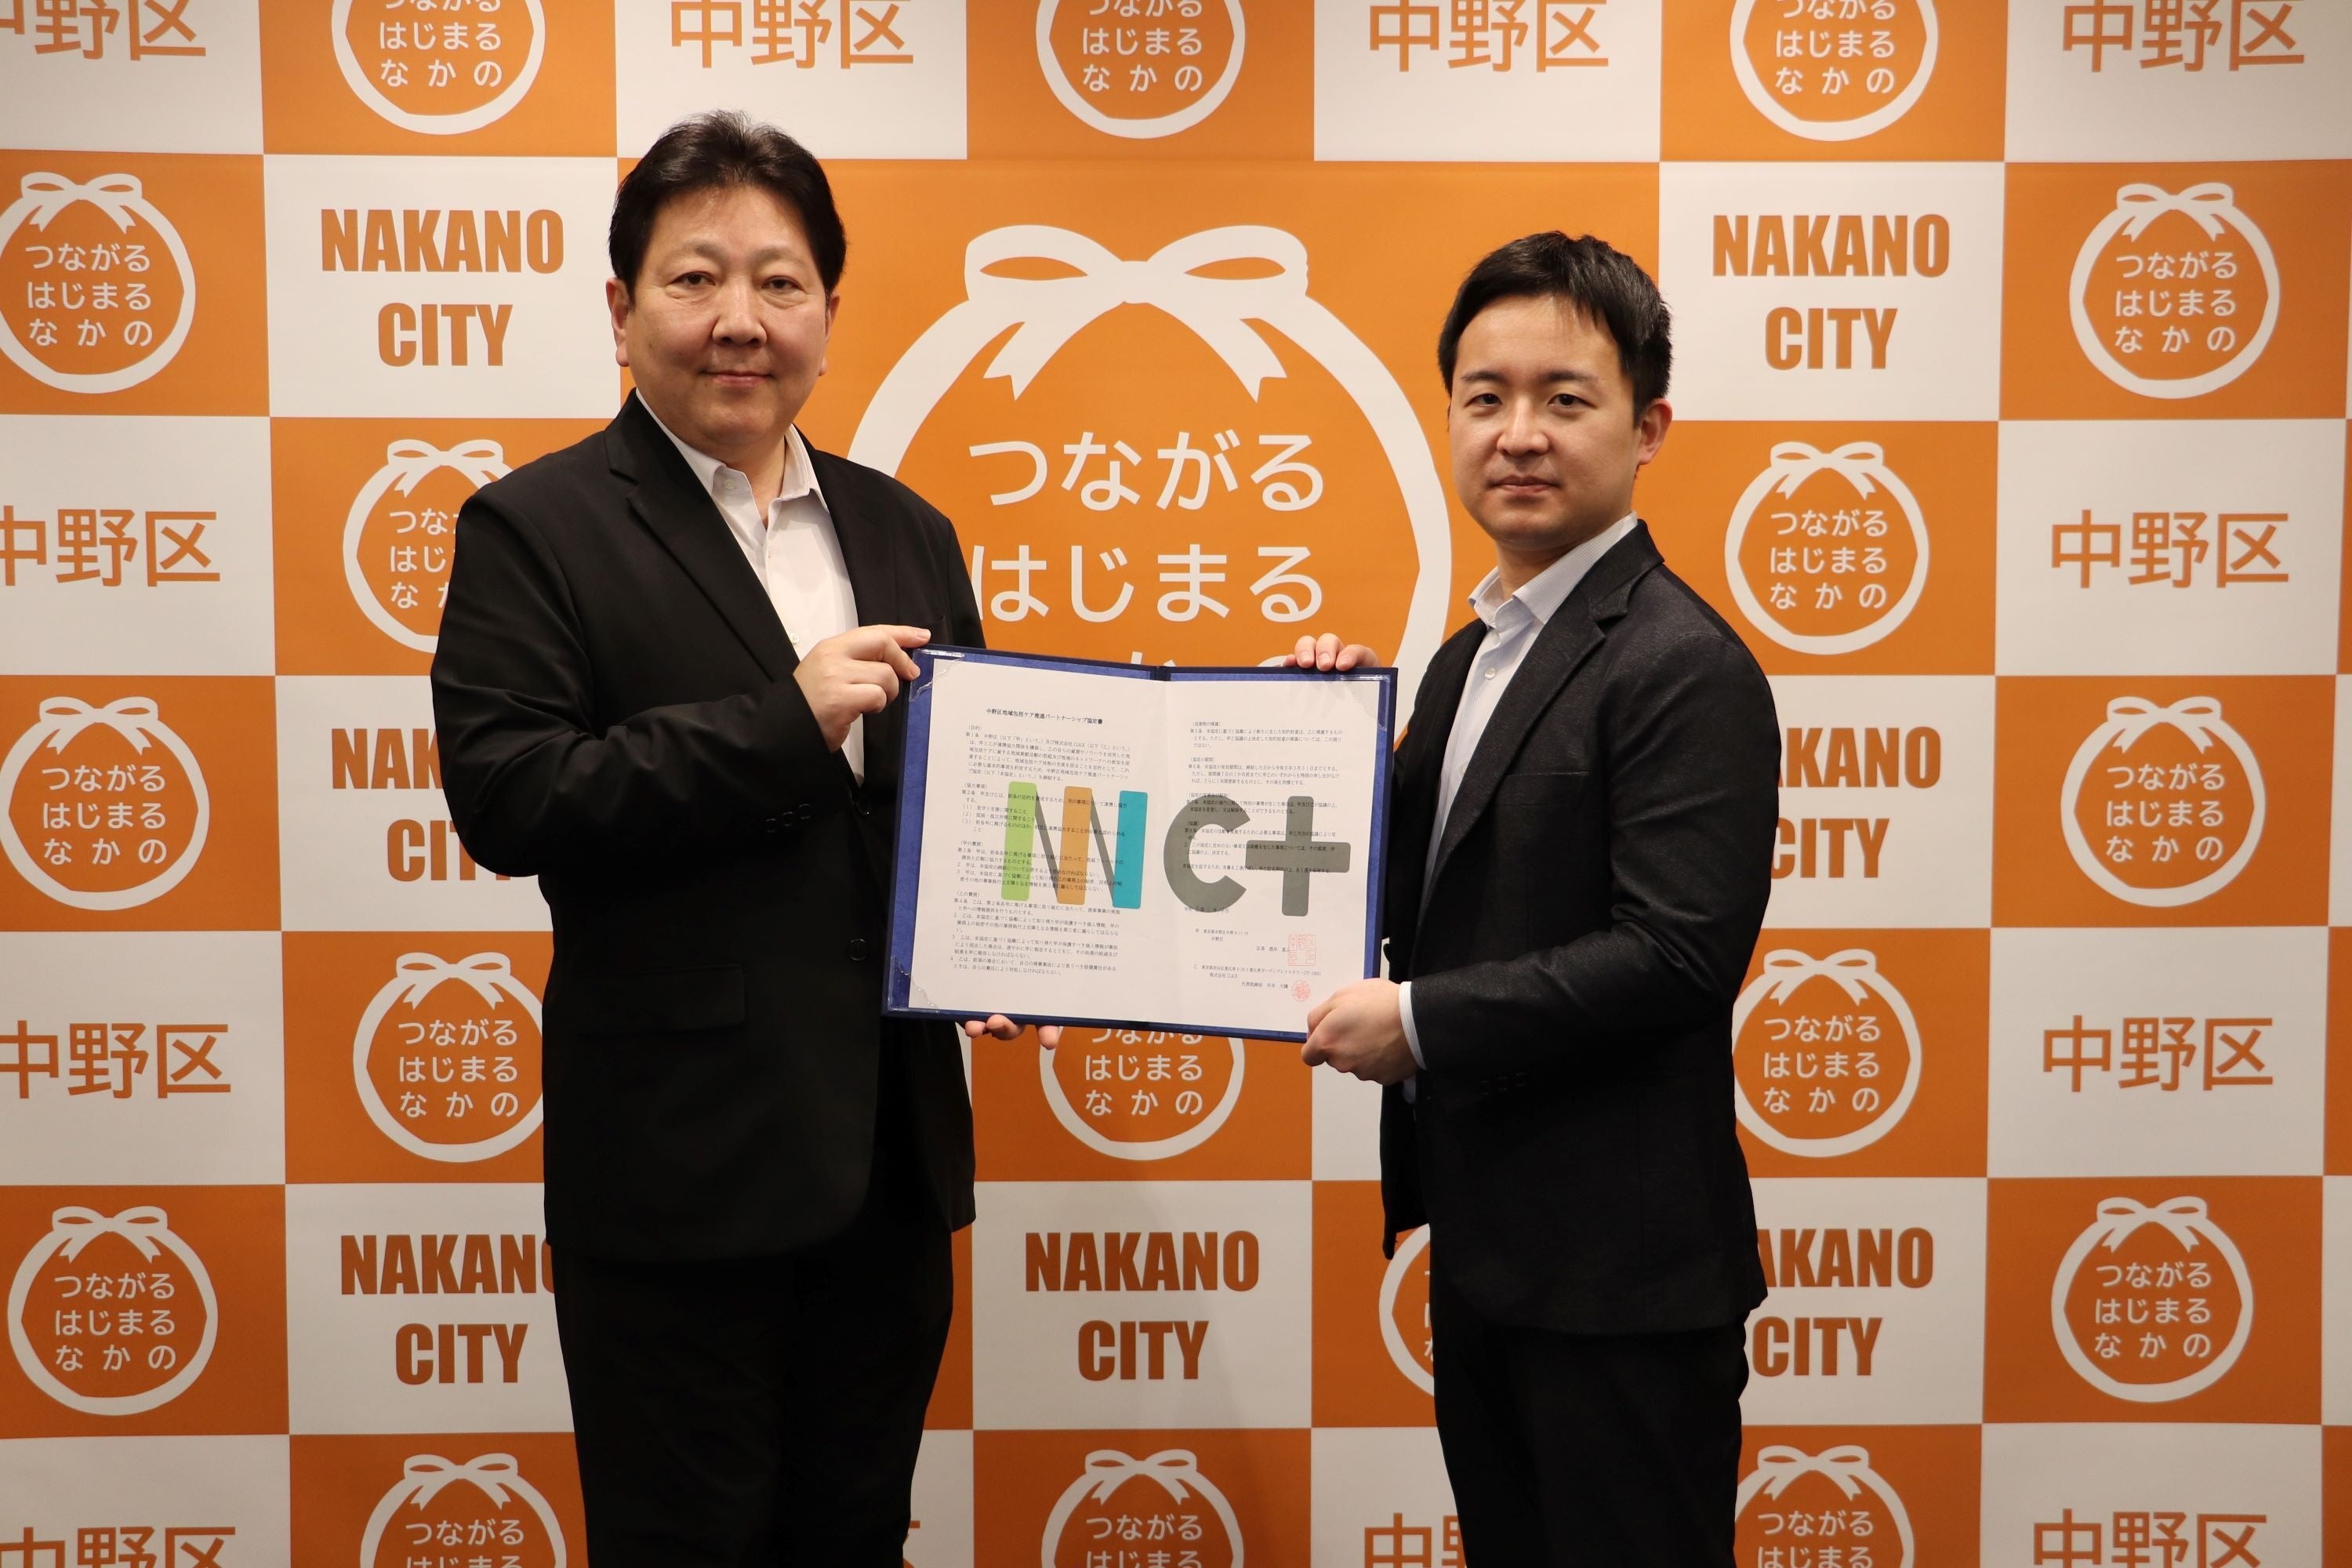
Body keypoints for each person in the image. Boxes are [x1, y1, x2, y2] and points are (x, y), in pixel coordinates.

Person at [430, 111, 1048, 1565]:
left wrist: (996, 933)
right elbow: (512, 795)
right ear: (621, 308)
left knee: (855, 1535)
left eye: (780, 283)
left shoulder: (908, 530)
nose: (740, 321)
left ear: (828, 310)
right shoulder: (535, 527)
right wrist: (784, 721)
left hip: (886, 1164)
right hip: (677, 1170)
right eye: (695, 279)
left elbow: (965, 797)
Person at [1295, 232, 1779, 1564]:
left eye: (1565, 399)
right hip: (1496, 1252)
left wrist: (1420, 1024)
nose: (1518, 434)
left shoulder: (1681, 663)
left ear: (1647, 427)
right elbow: (1403, 886)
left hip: (1624, 1284)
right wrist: (1316, 747)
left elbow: (1676, 956)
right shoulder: (1469, 658)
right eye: (1485, 397)